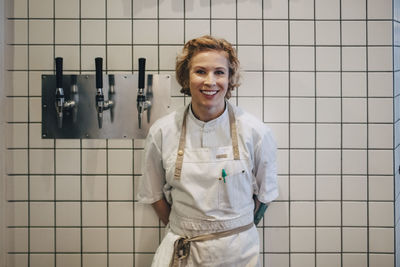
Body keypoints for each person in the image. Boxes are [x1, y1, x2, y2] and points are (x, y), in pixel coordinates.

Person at [137, 35, 278, 267]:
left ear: (230, 78)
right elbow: (153, 195)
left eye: (219, 72)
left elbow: (265, 195)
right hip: (183, 250)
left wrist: (231, 229)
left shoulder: (256, 132)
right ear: (186, 77)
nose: (210, 81)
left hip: (238, 253)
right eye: (200, 71)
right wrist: (187, 225)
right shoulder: (162, 132)